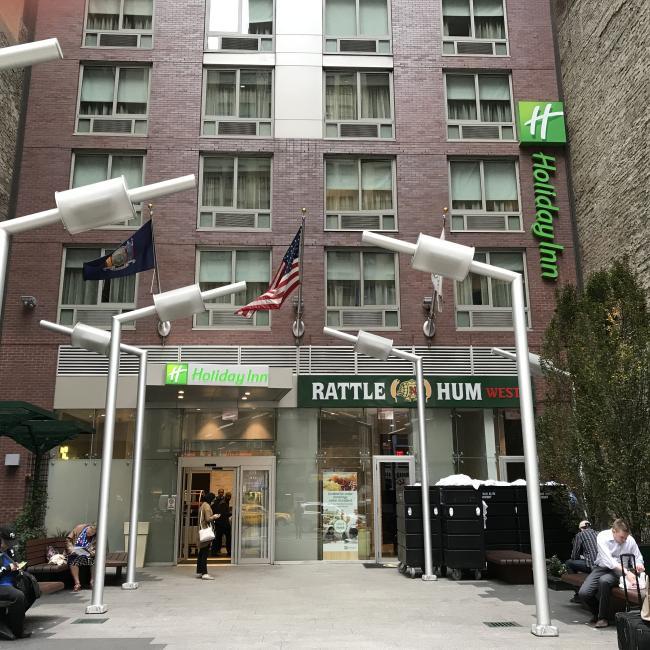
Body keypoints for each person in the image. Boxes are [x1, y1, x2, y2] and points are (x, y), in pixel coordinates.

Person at [578, 518, 645, 628]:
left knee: (604, 581)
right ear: (613, 531)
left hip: (621, 571)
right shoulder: (602, 537)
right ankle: (597, 613)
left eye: (626, 537)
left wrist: (639, 564)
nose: (624, 540)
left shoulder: (630, 540)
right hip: (603, 567)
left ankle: (602, 617)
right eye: (622, 537)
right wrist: (627, 573)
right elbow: (609, 561)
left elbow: (638, 557)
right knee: (584, 593)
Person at [0, 526, 30, 640]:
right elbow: (6, 568)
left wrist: (21, 566)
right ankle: (18, 630)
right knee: (18, 596)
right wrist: (7, 568)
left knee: (30, 589)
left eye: (10, 542)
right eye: (6, 542)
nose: (9, 545)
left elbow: (18, 562)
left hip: (12, 582)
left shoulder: (10, 550)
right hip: (2, 585)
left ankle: (9, 621)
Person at [66, 523, 97, 592]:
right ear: (89, 527)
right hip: (75, 553)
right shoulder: (79, 528)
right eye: (89, 530)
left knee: (94, 560)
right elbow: (68, 540)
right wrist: (72, 550)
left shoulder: (96, 537)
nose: (89, 533)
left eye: (92, 532)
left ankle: (92, 581)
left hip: (87, 555)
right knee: (72, 560)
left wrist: (89, 553)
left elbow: (96, 550)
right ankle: (77, 583)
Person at [197, 491, 220, 580]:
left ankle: (199, 571)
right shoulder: (207, 507)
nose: (214, 501)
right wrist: (214, 516)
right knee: (205, 552)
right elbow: (207, 519)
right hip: (206, 530)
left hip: (201, 530)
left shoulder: (203, 505)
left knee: (201, 552)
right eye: (213, 499)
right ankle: (204, 573)